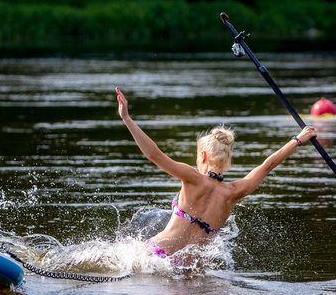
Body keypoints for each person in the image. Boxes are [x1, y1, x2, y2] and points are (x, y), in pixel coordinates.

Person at [116, 87, 317, 260]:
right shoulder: (234, 192)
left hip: (157, 256)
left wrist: (126, 118)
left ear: (202, 156)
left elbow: (153, 154)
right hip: (189, 270)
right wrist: (298, 139)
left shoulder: (192, 178)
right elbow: (267, 166)